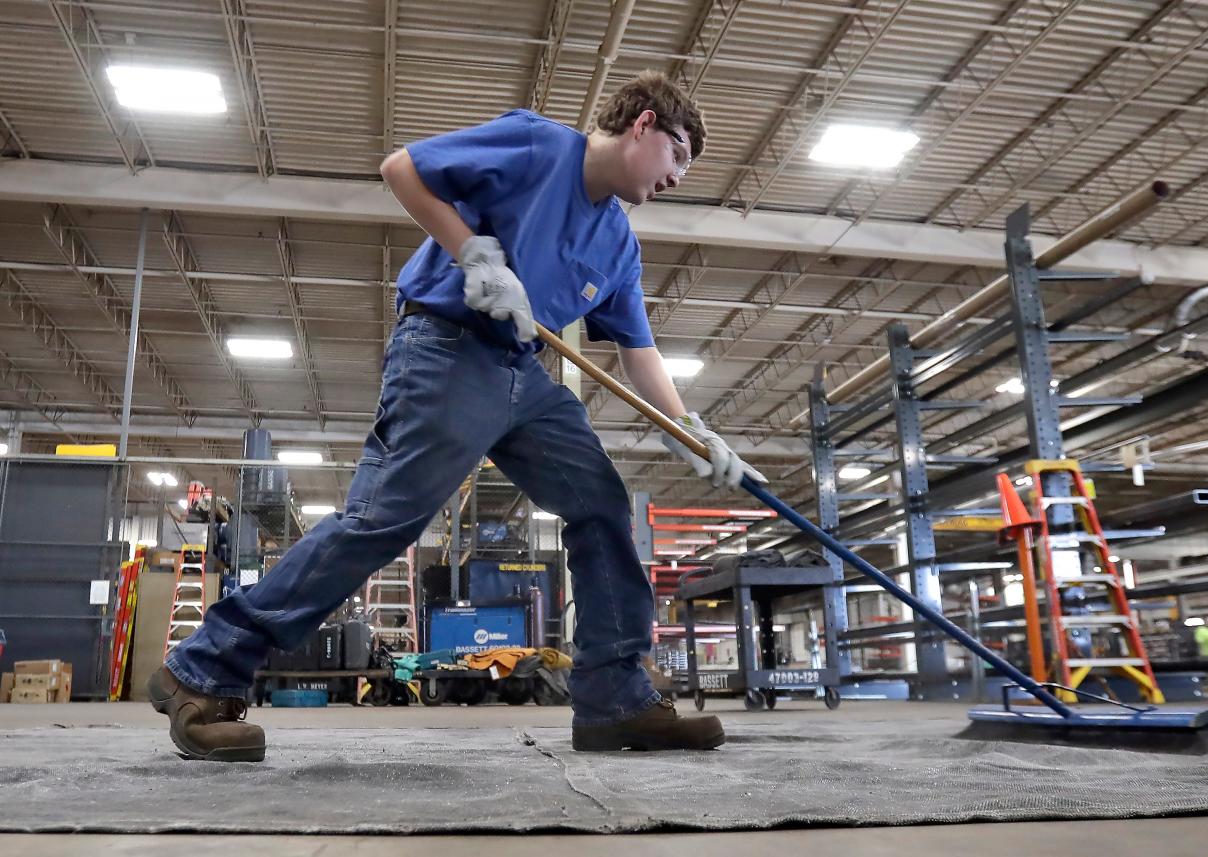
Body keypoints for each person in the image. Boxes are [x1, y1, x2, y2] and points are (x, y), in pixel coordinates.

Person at [147, 70, 765, 761]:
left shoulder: (617, 242)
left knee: (601, 504)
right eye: (679, 153)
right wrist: (469, 250)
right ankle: (201, 668)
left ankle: (614, 700)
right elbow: (402, 167)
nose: (679, 177)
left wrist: (689, 427)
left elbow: (637, 351)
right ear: (643, 125)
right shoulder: (539, 146)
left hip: (522, 373)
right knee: (385, 519)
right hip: (446, 347)